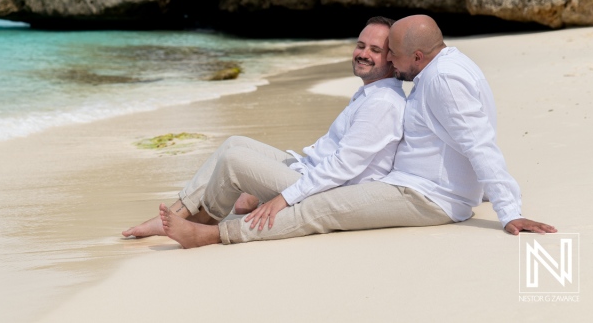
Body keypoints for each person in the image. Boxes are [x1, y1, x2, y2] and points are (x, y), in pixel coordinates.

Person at [159, 14, 556, 248]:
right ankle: (204, 217)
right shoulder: (446, 67)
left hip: (424, 195)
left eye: (393, 56)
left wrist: (510, 212)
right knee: (306, 195)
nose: (392, 67)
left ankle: (214, 236)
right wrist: (483, 191)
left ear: (416, 55)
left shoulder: (442, 81)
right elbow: (459, 137)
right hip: (411, 184)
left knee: (319, 209)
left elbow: (479, 142)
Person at [122, 16, 406, 239]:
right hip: (307, 168)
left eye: (375, 50)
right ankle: (176, 212)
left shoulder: (382, 103)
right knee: (235, 143)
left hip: (325, 190)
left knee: (235, 162)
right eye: (361, 45)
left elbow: (343, 169)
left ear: (392, 59)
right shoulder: (372, 92)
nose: (363, 53)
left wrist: (284, 198)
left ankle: (200, 222)